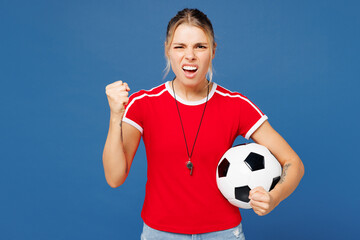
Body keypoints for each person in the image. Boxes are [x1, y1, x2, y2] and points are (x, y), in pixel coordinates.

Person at [103, 8, 304, 240]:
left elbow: (293, 163)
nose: (190, 55)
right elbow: (114, 177)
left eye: (200, 46)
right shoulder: (143, 104)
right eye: (180, 47)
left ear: (213, 51)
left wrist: (274, 197)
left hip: (224, 233)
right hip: (161, 233)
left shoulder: (235, 105)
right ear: (168, 50)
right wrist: (115, 115)